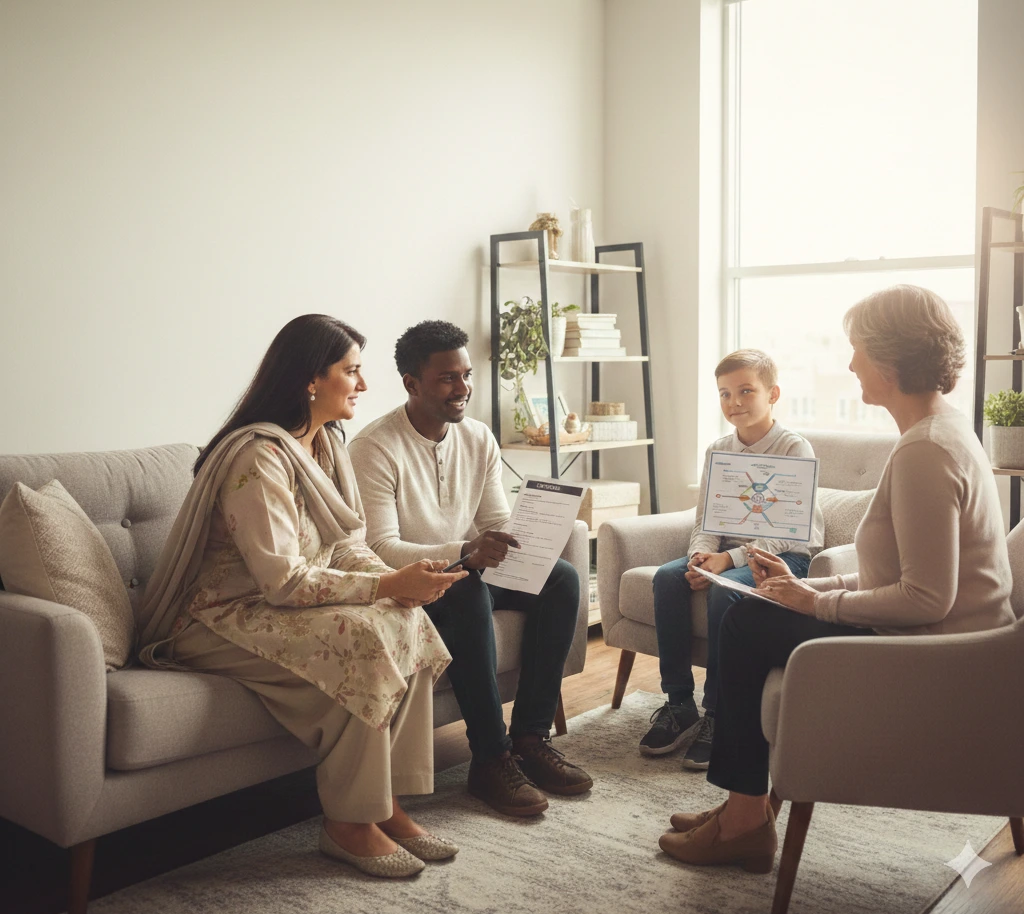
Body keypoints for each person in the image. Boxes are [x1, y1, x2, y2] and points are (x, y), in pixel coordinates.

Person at [660, 285, 1016, 871]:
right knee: (755, 605)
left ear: (889, 359)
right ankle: (740, 810)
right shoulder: (937, 432)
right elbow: (896, 574)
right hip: (942, 640)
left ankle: (744, 819)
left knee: (745, 625)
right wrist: (806, 590)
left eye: (857, 351)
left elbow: (926, 599)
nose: (850, 364)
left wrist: (814, 605)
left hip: (939, 658)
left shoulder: (926, 450)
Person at [136, 315, 469, 879]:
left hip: (277, 608)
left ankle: (386, 804)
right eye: (352, 371)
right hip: (219, 617)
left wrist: (403, 580)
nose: (363, 385)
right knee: (366, 637)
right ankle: (347, 824)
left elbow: (346, 547)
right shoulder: (258, 458)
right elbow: (283, 579)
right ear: (311, 380)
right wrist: (387, 584)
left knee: (404, 620)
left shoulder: (326, 445)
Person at [349, 320, 592, 818]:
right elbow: (378, 547)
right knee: (464, 591)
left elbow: (494, 519)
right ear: (411, 383)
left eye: (466, 375)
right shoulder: (373, 448)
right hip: (415, 585)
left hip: (467, 566)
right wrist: (465, 550)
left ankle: (529, 738)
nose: (462, 389)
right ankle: (490, 758)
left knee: (561, 578)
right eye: (447, 379)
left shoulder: (479, 438)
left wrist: (528, 532)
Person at [640, 350, 824, 769]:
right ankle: (679, 703)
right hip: (727, 554)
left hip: (782, 557)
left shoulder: (794, 447)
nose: (734, 402)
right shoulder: (719, 449)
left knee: (728, 593)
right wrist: (699, 557)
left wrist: (730, 560)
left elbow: (788, 532)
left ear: (772, 393)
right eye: (725, 394)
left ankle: (718, 714)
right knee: (667, 578)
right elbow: (706, 517)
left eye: (745, 391)